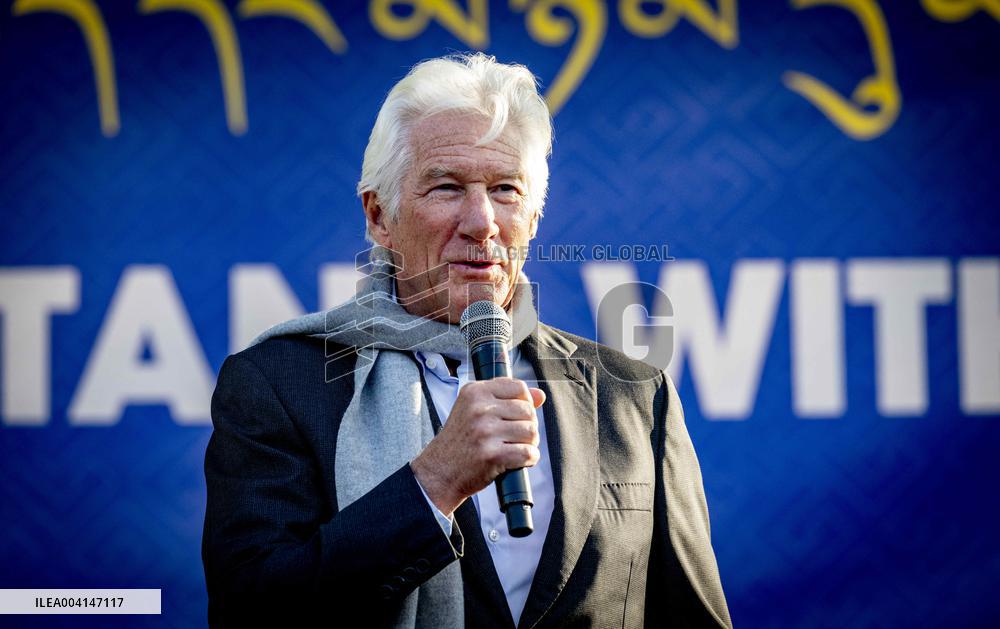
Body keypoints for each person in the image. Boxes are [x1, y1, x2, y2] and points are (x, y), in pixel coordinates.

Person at [202, 52, 732, 629]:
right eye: (448, 187)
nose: (482, 222)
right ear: (379, 216)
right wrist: (434, 482)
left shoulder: (632, 391)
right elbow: (249, 611)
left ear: (533, 218)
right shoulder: (279, 383)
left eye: (505, 189)